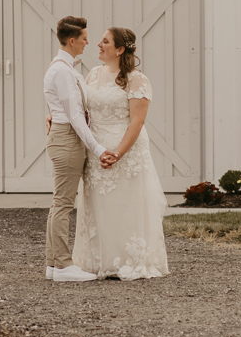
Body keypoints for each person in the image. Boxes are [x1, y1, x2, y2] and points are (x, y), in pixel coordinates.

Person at [72, 27, 169, 281]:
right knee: (99, 205)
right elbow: (80, 108)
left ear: (120, 49)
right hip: (96, 149)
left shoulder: (137, 80)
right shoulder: (93, 75)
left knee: (125, 205)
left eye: (105, 42)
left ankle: (128, 261)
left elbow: (137, 122)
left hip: (125, 150)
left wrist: (118, 152)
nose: (98, 45)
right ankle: (98, 260)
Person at [43, 16, 119, 283]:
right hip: (67, 139)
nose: (89, 42)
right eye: (85, 38)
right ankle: (63, 266)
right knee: (63, 203)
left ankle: (54, 264)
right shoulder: (62, 71)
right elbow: (75, 116)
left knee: (59, 202)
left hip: (66, 136)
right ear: (72, 40)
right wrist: (98, 150)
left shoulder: (66, 69)